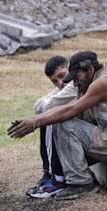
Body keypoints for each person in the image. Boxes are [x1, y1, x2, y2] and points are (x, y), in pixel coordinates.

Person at [8, 50, 107, 200]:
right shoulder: (91, 82)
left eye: (76, 76)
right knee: (55, 119)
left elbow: (71, 110)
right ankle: (57, 177)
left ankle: (81, 183)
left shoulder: (102, 83)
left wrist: (34, 122)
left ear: (90, 69)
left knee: (63, 122)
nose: (74, 82)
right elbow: (63, 108)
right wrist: (34, 120)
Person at [26, 55, 77, 199]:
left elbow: (47, 106)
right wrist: (53, 96)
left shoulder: (75, 85)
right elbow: (37, 106)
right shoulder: (64, 87)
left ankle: (57, 179)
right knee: (47, 117)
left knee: (50, 118)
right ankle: (49, 174)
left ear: (70, 69)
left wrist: (49, 102)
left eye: (62, 76)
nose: (60, 82)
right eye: (54, 81)